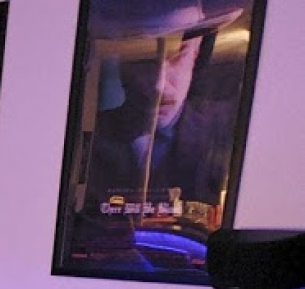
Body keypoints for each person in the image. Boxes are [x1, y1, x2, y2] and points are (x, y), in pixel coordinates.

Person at [72, 0, 245, 266]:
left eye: (177, 56)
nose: (157, 85)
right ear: (121, 65)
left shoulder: (231, 134)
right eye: (144, 62)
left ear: (198, 53)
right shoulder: (83, 140)